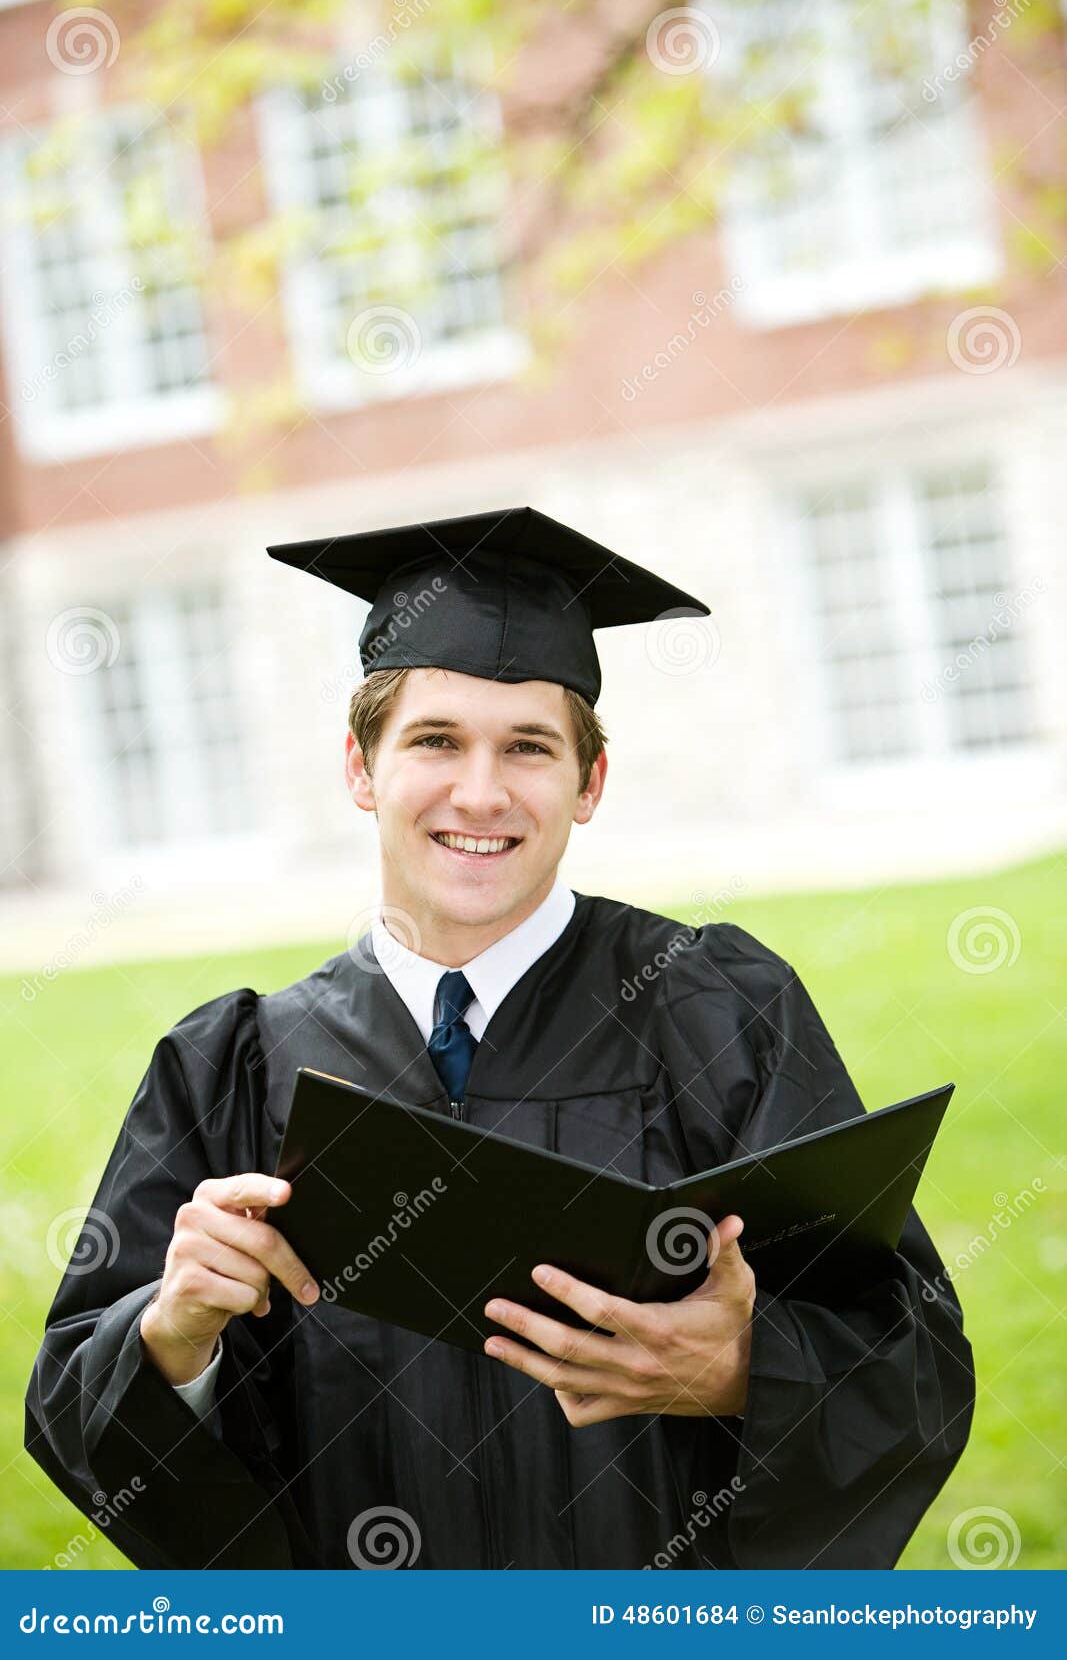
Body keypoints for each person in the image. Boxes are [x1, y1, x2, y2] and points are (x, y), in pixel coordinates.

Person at [24, 507, 974, 1570]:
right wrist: (171, 1338)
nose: (479, 792)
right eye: (435, 740)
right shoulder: (230, 1069)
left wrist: (748, 1368)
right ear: (359, 766)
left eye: (527, 747)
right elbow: (74, 1418)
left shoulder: (718, 1013)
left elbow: (917, 1363)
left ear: (588, 784)